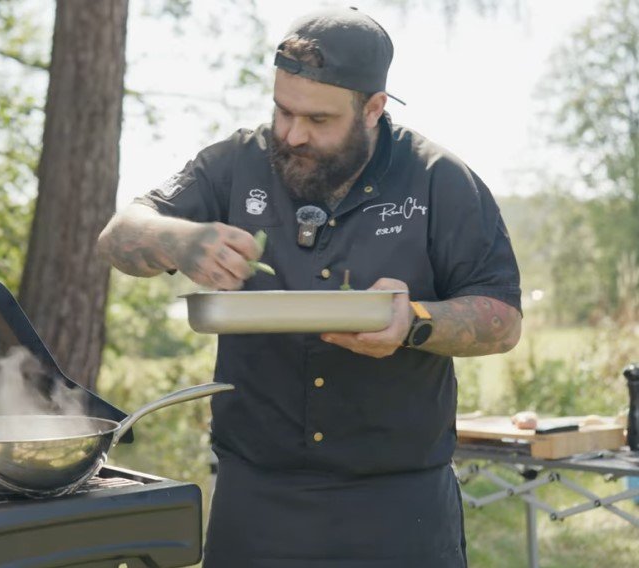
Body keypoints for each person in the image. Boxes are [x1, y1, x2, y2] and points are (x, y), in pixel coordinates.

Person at [97, 6, 522, 568]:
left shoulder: (440, 179)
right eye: (282, 110)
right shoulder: (235, 161)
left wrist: (416, 320)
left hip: (399, 507)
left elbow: (503, 318)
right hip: (254, 499)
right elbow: (119, 235)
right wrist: (179, 240)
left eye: (318, 120)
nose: (292, 134)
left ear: (373, 108)